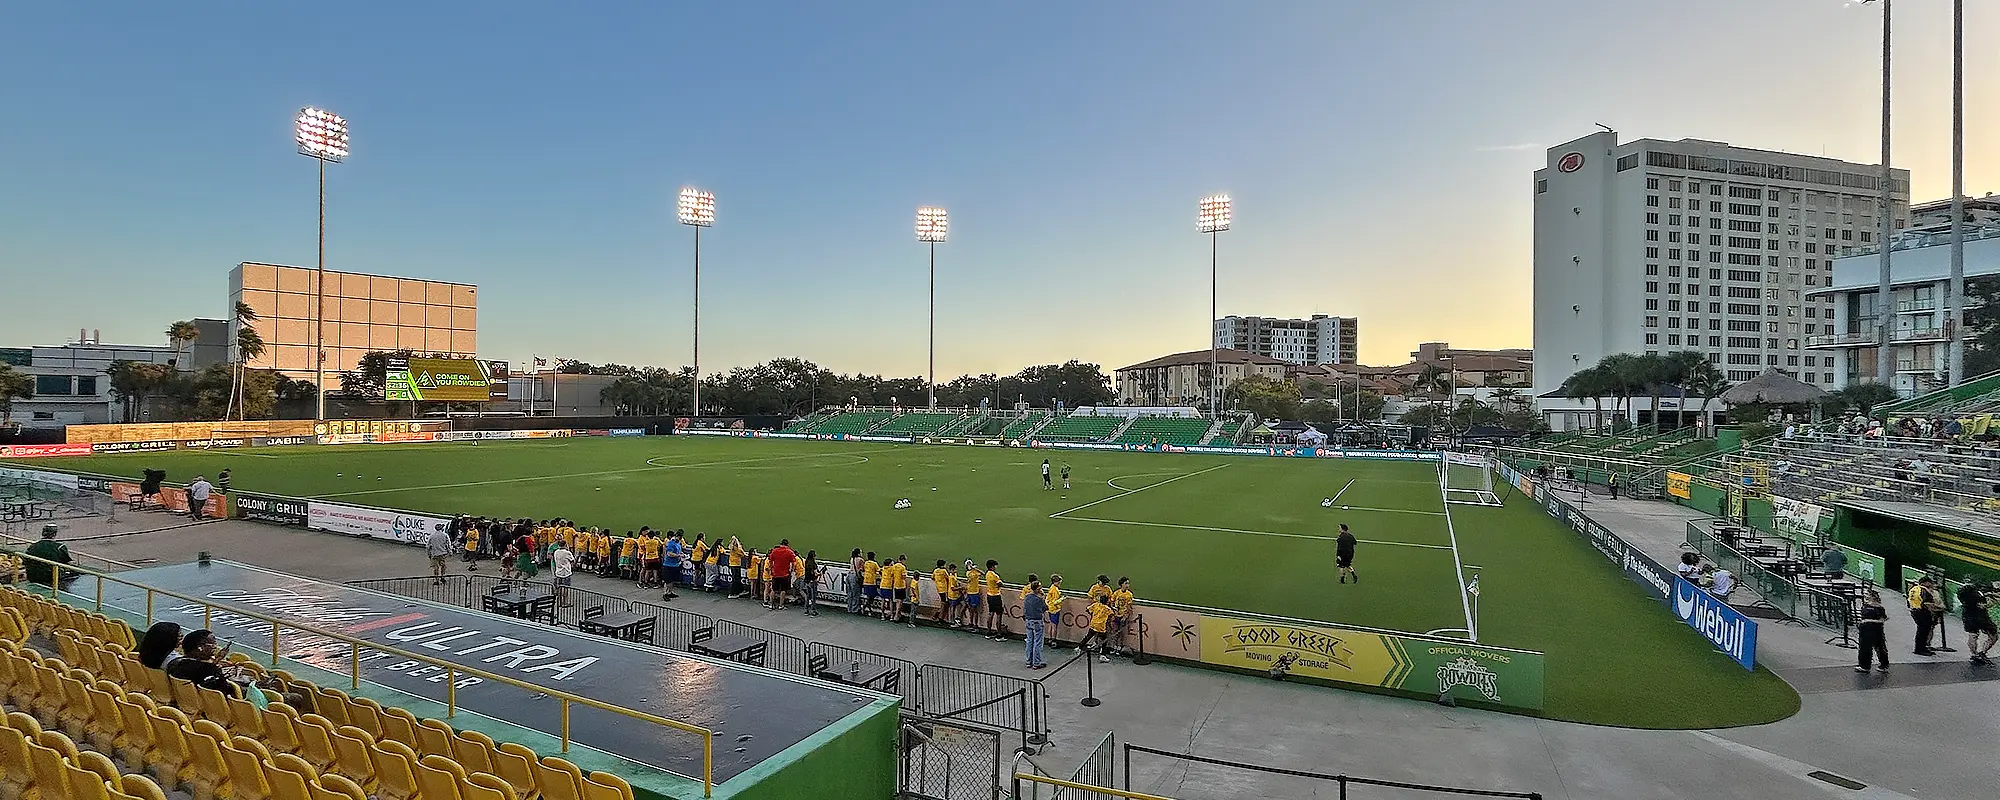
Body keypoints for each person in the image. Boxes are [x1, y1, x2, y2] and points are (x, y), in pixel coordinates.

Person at [165, 630, 242, 698]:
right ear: (200, 647)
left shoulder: (173, 663)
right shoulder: (208, 670)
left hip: (185, 701)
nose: (215, 647)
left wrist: (217, 660)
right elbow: (227, 692)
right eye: (213, 644)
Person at [1956, 581, 1996, 665]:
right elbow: (1985, 604)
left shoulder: (1965, 596)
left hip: (1968, 616)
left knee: (1973, 635)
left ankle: (1974, 654)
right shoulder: (1979, 595)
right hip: (1981, 617)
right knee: (1993, 636)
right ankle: (1982, 653)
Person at [1856, 592, 1889, 673]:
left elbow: (1883, 619)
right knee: (1872, 646)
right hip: (1869, 628)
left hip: (1872, 627)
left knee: (1874, 646)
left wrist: (1868, 620)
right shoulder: (1867, 605)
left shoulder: (1878, 607)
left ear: (1873, 597)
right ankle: (1867, 665)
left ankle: (1869, 665)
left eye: (1867, 594)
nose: (1865, 595)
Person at [1022, 578, 1048, 670]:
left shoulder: (1027, 596)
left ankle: (1029, 661)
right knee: (1037, 642)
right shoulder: (1039, 599)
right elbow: (1045, 608)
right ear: (1037, 589)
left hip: (1028, 620)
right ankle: (1036, 662)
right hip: (1037, 621)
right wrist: (1043, 598)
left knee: (1029, 641)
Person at [1909, 577, 1940, 656]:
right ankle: (1920, 649)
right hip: (1922, 612)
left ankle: (1921, 647)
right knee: (1923, 631)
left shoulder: (1914, 589)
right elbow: (1926, 603)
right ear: (1925, 583)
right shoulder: (1924, 591)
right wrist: (1935, 608)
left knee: (1921, 630)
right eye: (1930, 583)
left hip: (1914, 610)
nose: (1932, 584)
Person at [1082, 594, 1116, 662]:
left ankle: (1079, 648)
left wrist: (1093, 614)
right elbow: (1112, 615)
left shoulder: (1095, 605)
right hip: (1101, 627)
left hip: (1093, 624)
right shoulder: (1107, 609)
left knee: (1088, 637)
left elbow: (1087, 610)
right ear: (1106, 602)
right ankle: (1102, 655)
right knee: (1104, 641)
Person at [769, 539, 798, 611]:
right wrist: (791, 570)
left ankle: (771, 604)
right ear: (787, 544)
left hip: (775, 573)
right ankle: (781, 605)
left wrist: (771, 570)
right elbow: (794, 562)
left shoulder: (774, 551)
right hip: (785, 574)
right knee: (783, 590)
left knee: (773, 589)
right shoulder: (789, 552)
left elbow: (770, 561)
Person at [1108, 577, 1136, 652]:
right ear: (1121, 584)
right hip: (1116, 615)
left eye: (1128, 583)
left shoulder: (1129, 594)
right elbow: (1111, 601)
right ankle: (1114, 646)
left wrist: (1125, 616)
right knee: (1114, 631)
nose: (1127, 585)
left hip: (1123, 616)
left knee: (1121, 632)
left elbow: (1129, 607)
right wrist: (1113, 608)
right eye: (1126, 583)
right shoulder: (1117, 593)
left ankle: (1119, 646)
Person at [983, 559, 1006, 639]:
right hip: (996, 596)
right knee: (999, 615)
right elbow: (1001, 584)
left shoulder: (987, 574)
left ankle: (988, 632)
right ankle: (999, 634)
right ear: (992, 567)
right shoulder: (995, 575)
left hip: (989, 595)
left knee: (990, 613)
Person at [550, 540, 576, 607]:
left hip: (558, 572)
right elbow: (572, 561)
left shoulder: (556, 552)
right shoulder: (567, 553)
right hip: (566, 572)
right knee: (565, 588)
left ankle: (559, 601)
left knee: (559, 588)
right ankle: (564, 602)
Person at [1043, 575, 1066, 648]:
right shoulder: (1055, 590)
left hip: (1050, 609)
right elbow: (1054, 602)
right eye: (1059, 582)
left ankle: (1050, 639)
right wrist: (1062, 599)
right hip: (1054, 610)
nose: (1060, 583)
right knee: (1054, 626)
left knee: (1051, 624)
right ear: (1056, 582)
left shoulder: (1051, 588)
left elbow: (1047, 600)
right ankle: (1053, 641)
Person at [960, 560, 983, 628]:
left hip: (975, 593)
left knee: (974, 609)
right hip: (969, 593)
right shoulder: (968, 573)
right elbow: (969, 580)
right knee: (970, 609)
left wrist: (975, 569)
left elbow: (983, 573)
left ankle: (975, 624)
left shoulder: (975, 572)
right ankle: (971, 623)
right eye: (968, 565)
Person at [799, 549, 821, 617]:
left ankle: (806, 610)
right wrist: (820, 573)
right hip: (812, 581)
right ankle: (813, 611)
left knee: (808, 596)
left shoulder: (807, 562)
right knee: (813, 597)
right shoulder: (813, 564)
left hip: (807, 581)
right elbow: (816, 573)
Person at [860, 551, 882, 616]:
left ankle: (866, 608)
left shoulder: (866, 563)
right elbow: (879, 570)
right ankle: (867, 608)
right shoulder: (874, 564)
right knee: (871, 596)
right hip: (871, 581)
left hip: (866, 581)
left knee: (869, 596)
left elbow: (862, 569)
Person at [846, 549, 865, 613]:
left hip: (849, 575)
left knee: (849, 593)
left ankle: (849, 608)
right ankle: (854, 609)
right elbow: (861, 569)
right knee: (855, 593)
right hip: (854, 576)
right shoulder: (860, 560)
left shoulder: (852, 559)